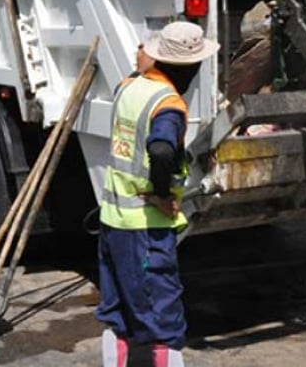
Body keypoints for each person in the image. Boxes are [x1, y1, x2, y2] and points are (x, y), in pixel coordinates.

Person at [97, 21, 218, 367]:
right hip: (145, 227)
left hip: (112, 219)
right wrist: (163, 194)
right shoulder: (168, 104)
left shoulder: (128, 86)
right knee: (163, 320)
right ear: (191, 67)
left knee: (115, 310)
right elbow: (162, 151)